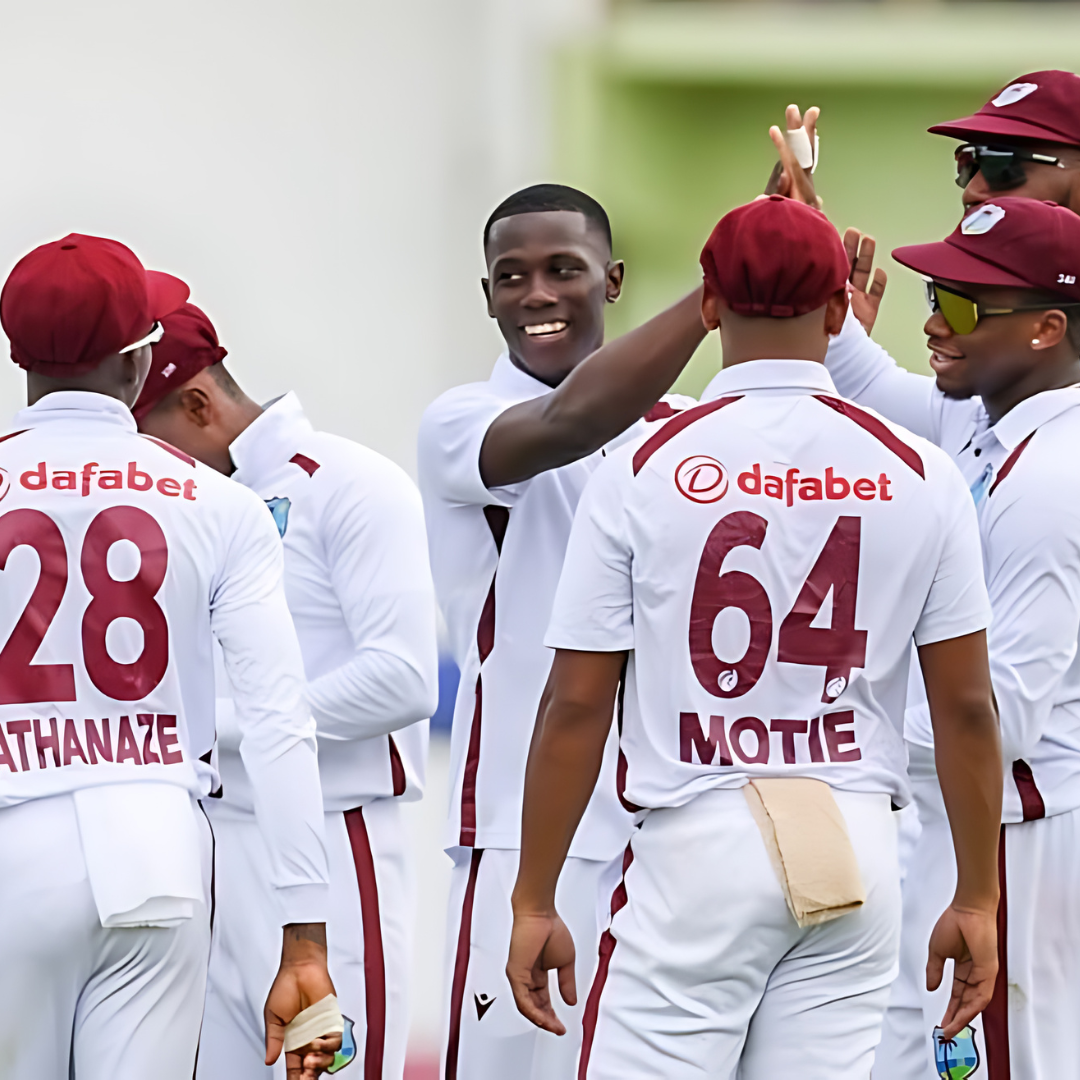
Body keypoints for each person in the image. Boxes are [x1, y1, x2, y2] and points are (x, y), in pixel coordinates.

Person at [506, 195, 1004, 1080]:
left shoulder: (643, 464)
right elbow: (967, 705)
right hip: (855, 835)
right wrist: (976, 892)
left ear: (707, 306)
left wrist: (534, 895)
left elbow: (576, 702)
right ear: (840, 310)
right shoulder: (918, 469)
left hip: (700, 829)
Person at [0, 235, 340, 1080]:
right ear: (142, 357)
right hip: (157, 842)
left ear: (18, 355)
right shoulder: (220, 503)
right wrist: (303, 938)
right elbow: (278, 722)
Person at [418, 182, 716, 1079]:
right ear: (487, 296)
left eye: (563, 270)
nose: (537, 293)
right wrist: (715, 297)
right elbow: (572, 420)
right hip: (523, 831)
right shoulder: (460, 422)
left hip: (673, 826)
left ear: (613, 280)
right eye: (511, 276)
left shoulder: (686, 431)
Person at [134, 302, 439, 1080]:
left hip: (336, 842)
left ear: (199, 404)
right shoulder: (189, 507)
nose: (148, 465)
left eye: (150, 437)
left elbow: (403, 679)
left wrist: (225, 726)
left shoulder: (354, 482)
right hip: (204, 851)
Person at [817, 192, 1080, 1079]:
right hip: (973, 817)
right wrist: (814, 275)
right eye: (934, 293)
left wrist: (834, 714)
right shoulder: (994, 421)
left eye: (961, 305)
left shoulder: (1050, 481)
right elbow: (886, 395)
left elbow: (1000, 719)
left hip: (1018, 828)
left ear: (1047, 329)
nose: (930, 321)